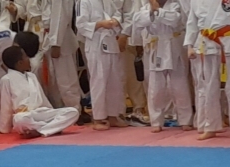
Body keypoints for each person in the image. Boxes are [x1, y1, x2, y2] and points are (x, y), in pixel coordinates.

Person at [187, 0, 230, 140]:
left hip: (227, 44)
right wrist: (190, 46)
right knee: (209, 88)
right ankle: (211, 126)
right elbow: (191, 23)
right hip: (206, 45)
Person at [130, 0, 195, 130]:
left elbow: (175, 19)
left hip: (174, 47)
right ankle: (156, 122)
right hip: (156, 48)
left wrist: (158, 11)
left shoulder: (175, 5)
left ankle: (185, 120)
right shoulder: (146, 7)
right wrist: (152, 10)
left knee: (180, 86)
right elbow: (138, 21)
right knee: (156, 88)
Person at [0, 43, 80, 134]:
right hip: (25, 115)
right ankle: (50, 128)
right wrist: (4, 129)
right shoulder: (6, 79)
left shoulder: (32, 76)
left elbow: (42, 98)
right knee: (19, 120)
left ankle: (39, 130)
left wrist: (50, 111)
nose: (29, 59)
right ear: (20, 63)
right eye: (26, 57)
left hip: (41, 112)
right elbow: (6, 105)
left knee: (73, 112)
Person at [76, 0, 129, 128]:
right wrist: (100, 24)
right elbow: (81, 25)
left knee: (114, 81)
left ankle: (113, 115)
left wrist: (115, 21)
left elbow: (117, 13)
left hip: (111, 42)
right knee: (98, 81)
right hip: (95, 44)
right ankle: (98, 118)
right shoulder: (84, 2)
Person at [42, 0, 84, 112]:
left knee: (66, 80)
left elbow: (59, 16)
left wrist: (56, 43)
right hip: (51, 35)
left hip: (61, 39)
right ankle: (61, 110)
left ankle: (74, 110)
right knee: (55, 80)